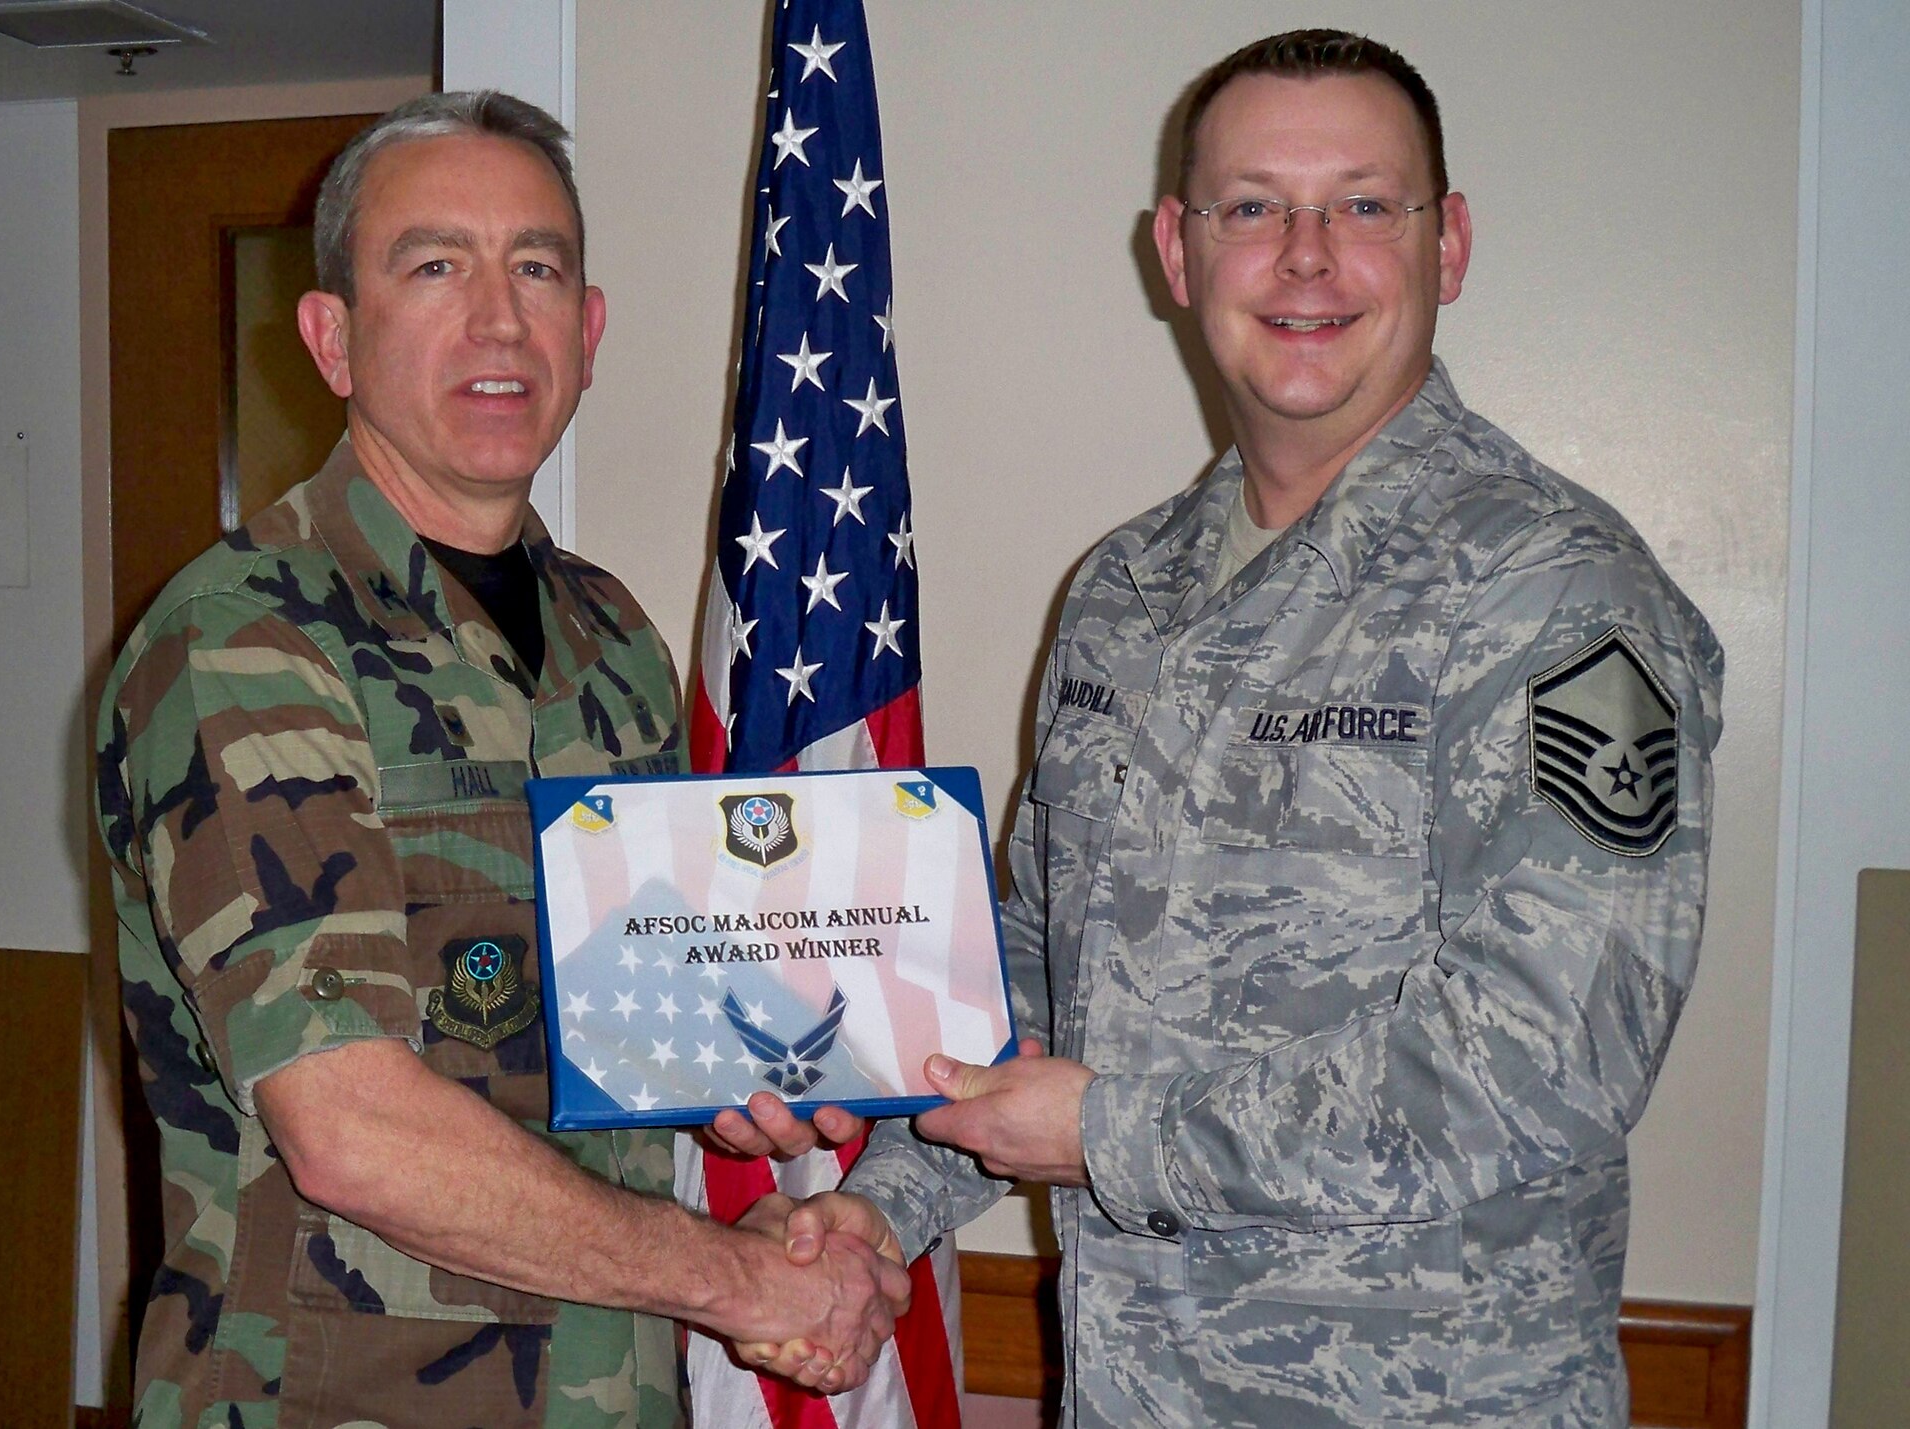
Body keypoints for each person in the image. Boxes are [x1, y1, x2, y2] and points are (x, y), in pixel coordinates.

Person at [718, 29, 1725, 1427]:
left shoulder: (1553, 592)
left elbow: (1552, 1054)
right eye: (1254, 207)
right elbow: (1034, 960)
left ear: (1453, 246)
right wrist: (880, 1203)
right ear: (1178, 254)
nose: (1307, 257)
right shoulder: (1122, 591)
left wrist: (1107, 1132)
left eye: (1366, 205)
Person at [95, 91, 907, 1429]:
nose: (497, 317)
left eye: (537, 267)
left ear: (587, 332)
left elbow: (636, 1008)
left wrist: (742, 1083)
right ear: (331, 337)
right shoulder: (243, 636)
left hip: (610, 1391)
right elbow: (349, 1124)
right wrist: (743, 1283)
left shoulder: (612, 637)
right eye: (434, 266)